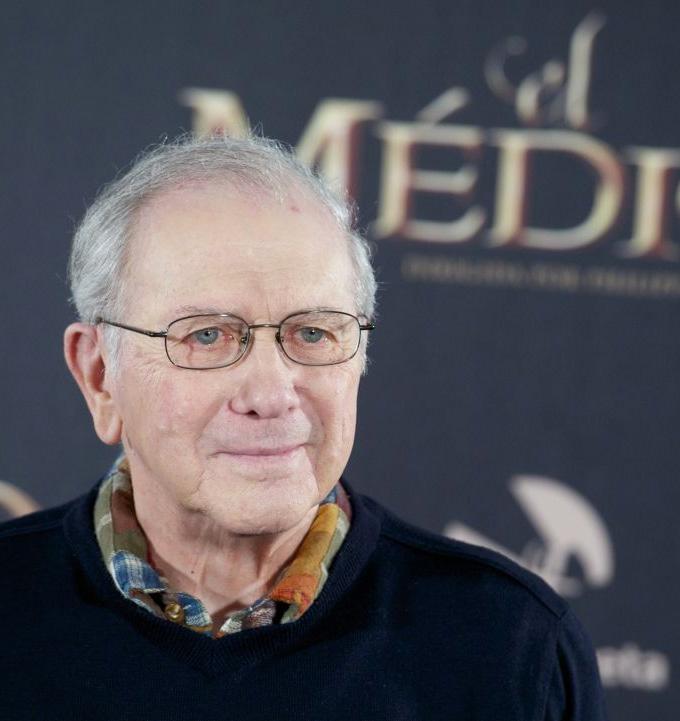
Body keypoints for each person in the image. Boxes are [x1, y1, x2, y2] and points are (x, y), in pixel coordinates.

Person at [0, 134, 606, 720]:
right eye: (206, 336)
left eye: (313, 332)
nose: (270, 395)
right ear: (100, 376)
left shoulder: (510, 648)